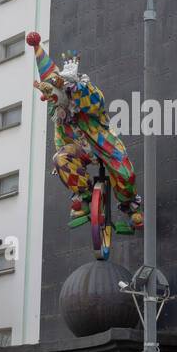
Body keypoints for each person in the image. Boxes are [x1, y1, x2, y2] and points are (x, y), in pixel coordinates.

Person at [27, 32, 142, 230]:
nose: (48, 97)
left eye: (50, 92)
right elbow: (61, 138)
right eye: (45, 94)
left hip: (101, 140)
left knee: (124, 171)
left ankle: (130, 206)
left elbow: (98, 103)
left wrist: (79, 88)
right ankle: (86, 195)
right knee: (60, 158)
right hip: (79, 148)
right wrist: (60, 160)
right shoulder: (58, 112)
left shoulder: (80, 92)